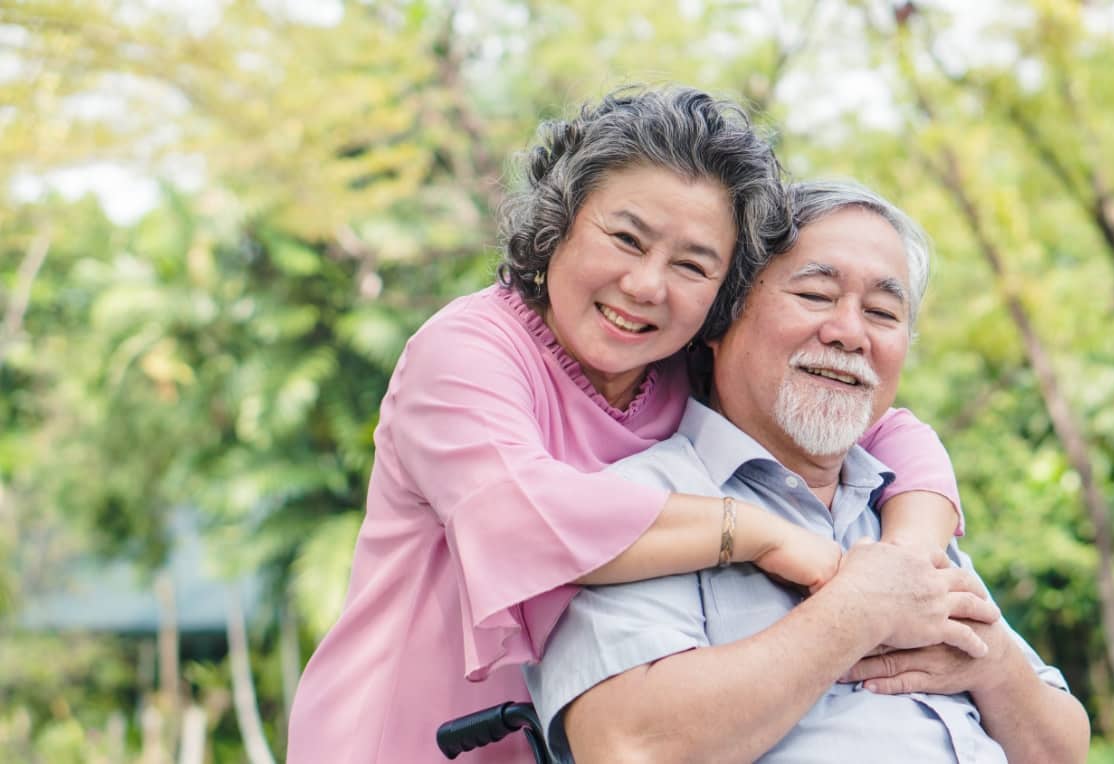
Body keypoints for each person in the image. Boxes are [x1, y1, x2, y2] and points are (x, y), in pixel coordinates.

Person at [287, 88, 971, 763]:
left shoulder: (670, 363)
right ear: (561, 220)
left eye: (692, 265)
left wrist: (906, 563)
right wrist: (762, 534)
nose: (647, 286)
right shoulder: (466, 351)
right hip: (396, 740)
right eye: (625, 239)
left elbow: (887, 427)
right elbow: (519, 520)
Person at [524, 181, 1091, 763]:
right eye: (817, 295)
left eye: (882, 312)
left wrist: (995, 665)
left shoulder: (899, 511)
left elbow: (1062, 751)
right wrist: (857, 610)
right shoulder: (644, 506)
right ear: (720, 319)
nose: (850, 333)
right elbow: (626, 747)